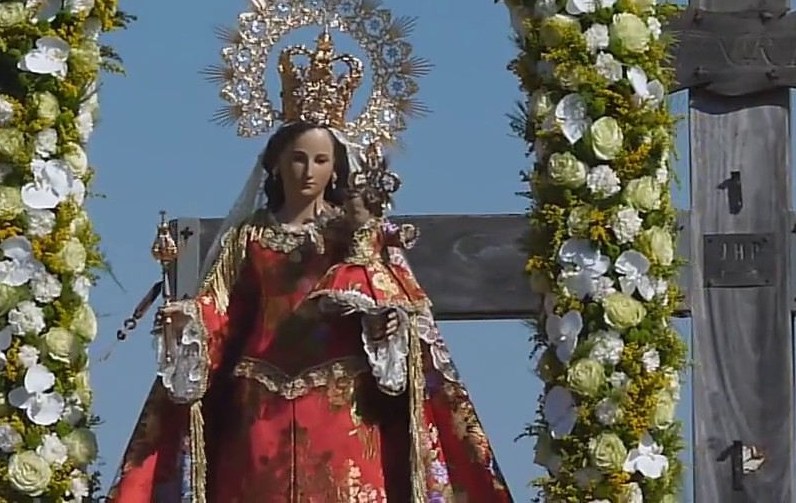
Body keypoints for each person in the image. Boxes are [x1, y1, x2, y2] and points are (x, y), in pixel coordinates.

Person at [106, 116, 512, 502]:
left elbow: (391, 297)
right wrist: (189, 320)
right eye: (297, 158)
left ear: (336, 169)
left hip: (342, 404)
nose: (308, 170)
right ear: (277, 165)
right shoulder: (250, 237)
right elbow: (223, 309)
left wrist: (386, 324)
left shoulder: (351, 235)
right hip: (260, 402)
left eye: (320, 160)